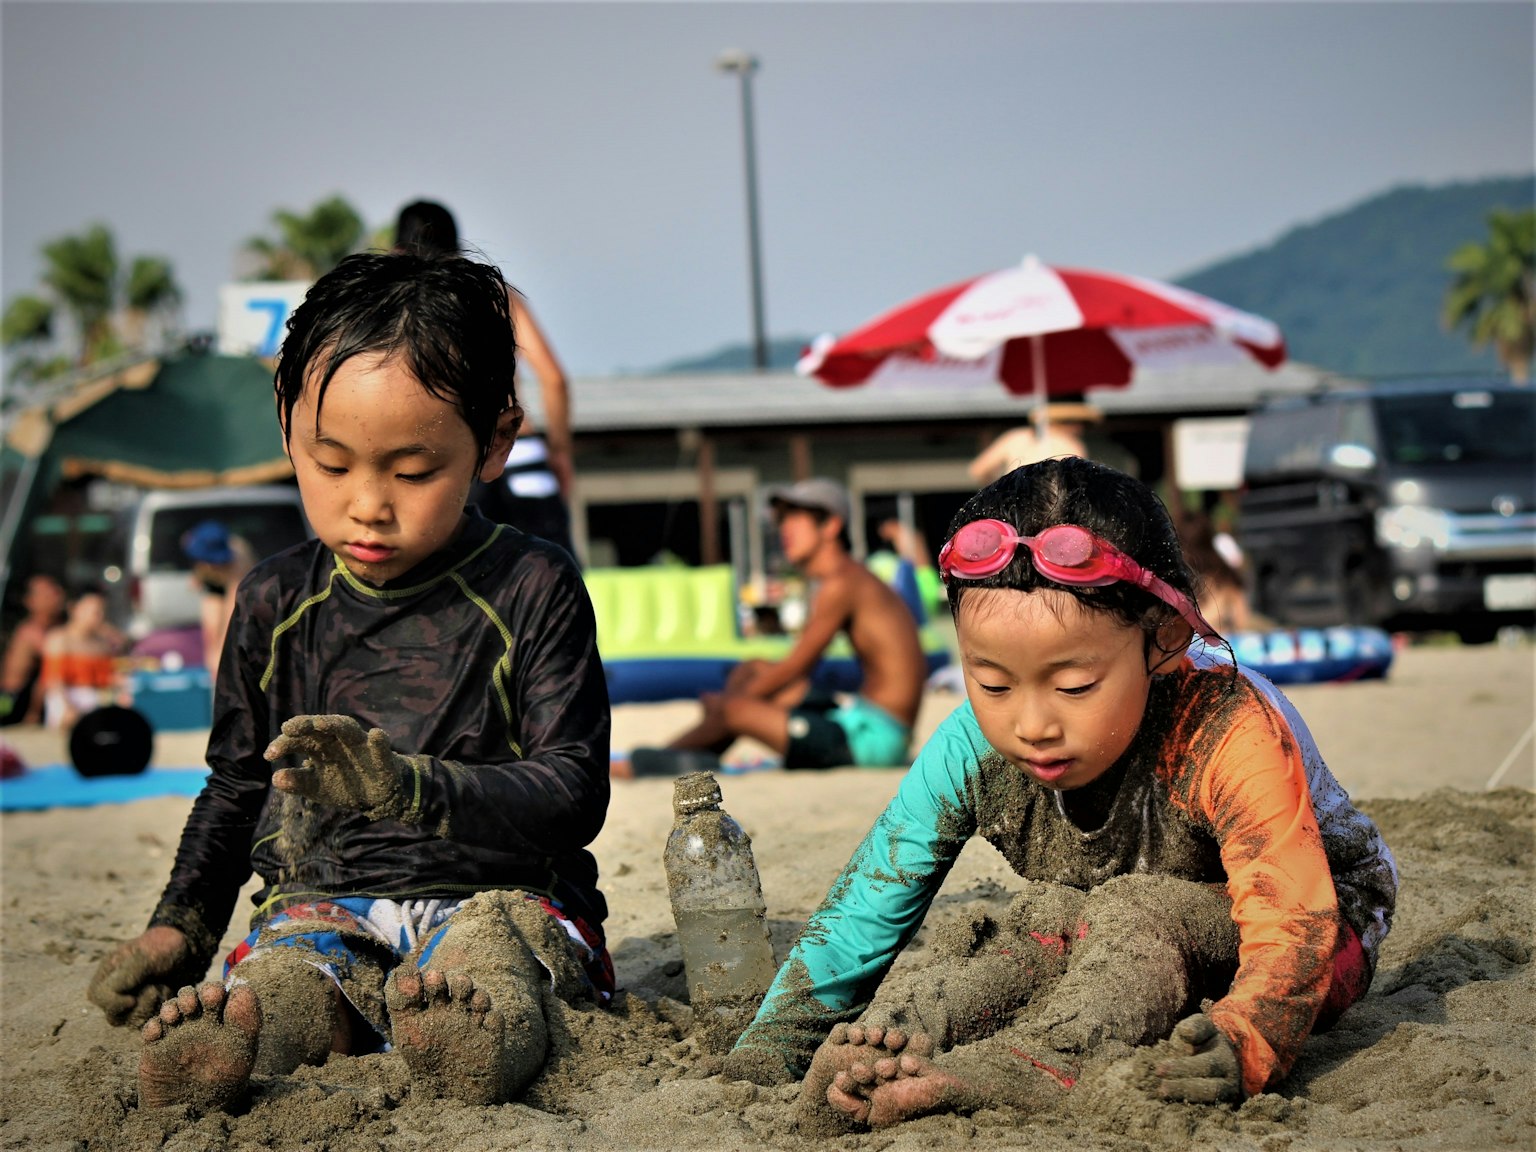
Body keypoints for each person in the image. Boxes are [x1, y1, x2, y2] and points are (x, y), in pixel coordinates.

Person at [721, 456, 1398, 1132]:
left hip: (1312, 927)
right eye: (991, 684)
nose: (1032, 725)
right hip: (1100, 923)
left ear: (1162, 640)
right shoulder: (971, 747)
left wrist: (1247, 1041)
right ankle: (899, 1040)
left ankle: (1030, 1067)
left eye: (1074, 687)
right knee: (1031, 931)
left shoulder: (1227, 728)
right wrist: (772, 1045)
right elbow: (864, 911)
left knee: (1135, 910)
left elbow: (1294, 919)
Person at [85, 250, 613, 1114]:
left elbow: (572, 789)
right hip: (322, 897)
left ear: (495, 443)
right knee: (292, 975)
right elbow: (236, 785)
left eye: (412, 472)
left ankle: (475, 1038)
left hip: (502, 896)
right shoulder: (274, 600)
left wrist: (410, 787)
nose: (368, 503)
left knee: (492, 956)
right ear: (287, 423)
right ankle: (249, 1042)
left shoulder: (531, 585)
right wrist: (177, 930)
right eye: (332, 465)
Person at [623, 479, 927, 777]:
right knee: (751, 669)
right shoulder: (849, 578)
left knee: (735, 711)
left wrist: (728, 705)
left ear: (831, 526)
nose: (785, 528)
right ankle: (696, 752)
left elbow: (798, 667)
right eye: (782, 519)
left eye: (796, 517)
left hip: (877, 740)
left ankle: (647, 762)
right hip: (861, 718)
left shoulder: (843, 583)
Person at [392, 199, 578, 559]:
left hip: (453, 460)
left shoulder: (400, 306)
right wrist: (559, 452)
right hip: (520, 452)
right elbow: (553, 379)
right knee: (552, 576)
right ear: (458, 248)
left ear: (398, 250)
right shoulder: (497, 296)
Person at [39, 586, 127, 730]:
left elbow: (111, 676)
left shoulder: (103, 643)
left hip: (97, 698)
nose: (98, 616)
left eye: (101, 611)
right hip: (66, 697)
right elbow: (55, 681)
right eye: (93, 611)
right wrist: (68, 707)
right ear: (74, 609)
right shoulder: (59, 639)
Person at [180, 520, 257, 678]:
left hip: (232, 589)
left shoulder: (239, 561)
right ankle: (211, 667)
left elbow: (231, 611)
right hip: (216, 584)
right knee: (210, 626)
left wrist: (221, 653)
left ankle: (222, 668)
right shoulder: (191, 541)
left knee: (221, 629)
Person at [967, 401, 1101, 485]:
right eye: (1076, 422)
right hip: (1050, 508)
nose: (1080, 428)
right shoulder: (1071, 444)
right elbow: (1079, 482)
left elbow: (978, 470)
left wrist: (1001, 487)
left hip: (1015, 503)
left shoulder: (1015, 437)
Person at [0, 572, 66, 726]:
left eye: (56, 592)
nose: (56, 598)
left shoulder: (54, 627)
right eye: (47, 595)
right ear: (30, 601)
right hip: (8, 699)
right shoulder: (30, 630)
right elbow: (56, 653)